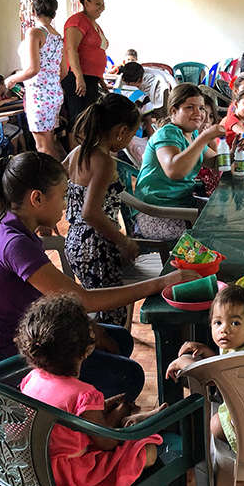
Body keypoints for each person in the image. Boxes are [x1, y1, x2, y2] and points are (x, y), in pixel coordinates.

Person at [0, 152, 198, 399]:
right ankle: (78, 423)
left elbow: (59, 302)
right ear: (37, 198)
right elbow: (82, 300)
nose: (65, 205)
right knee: (129, 375)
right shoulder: (14, 243)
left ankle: (89, 409)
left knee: (120, 339)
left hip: (21, 338)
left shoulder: (13, 227)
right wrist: (160, 283)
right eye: (62, 196)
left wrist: (92, 330)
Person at [14, 296, 166, 486]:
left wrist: (101, 408)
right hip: (70, 479)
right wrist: (119, 411)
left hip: (36, 469)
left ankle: (132, 419)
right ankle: (132, 421)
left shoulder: (31, 379)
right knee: (148, 451)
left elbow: (64, 416)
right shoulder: (85, 394)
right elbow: (107, 441)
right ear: (86, 352)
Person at [63, 95, 145, 328]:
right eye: (131, 135)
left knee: (99, 303)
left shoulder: (78, 152)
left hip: (75, 242)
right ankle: (111, 356)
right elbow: (91, 213)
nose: (129, 141)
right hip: (96, 246)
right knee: (111, 310)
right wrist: (123, 241)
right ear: (121, 131)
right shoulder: (105, 163)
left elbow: (57, 181)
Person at [162, 285, 244, 451]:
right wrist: (207, 351)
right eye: (217, 322)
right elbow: (223, 368)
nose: (224, 329)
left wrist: (182, 362)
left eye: (235, 323)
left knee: (216, 425)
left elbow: (210, 378)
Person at [135, 84, 227, 240]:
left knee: (227, 215)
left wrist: (235, 152)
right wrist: (204, 138)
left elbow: (214, 163)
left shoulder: (191, 134)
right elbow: (174, 171)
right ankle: (194, 264)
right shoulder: (167, 133)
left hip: (182, 205)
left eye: (202, 108)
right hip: (156, 213)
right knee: (214, 231)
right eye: (190, 107)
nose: (198, 113)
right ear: (173, 111)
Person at [8, 0, 67, 157]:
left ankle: (59, 183)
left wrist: (12, 79)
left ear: (33, 10)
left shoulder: (34, 32)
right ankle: (64, 178)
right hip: (54, 93)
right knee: (49, 142)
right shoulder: (57, 37)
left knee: (42, 147)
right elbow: (62, 72)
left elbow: (33, 69)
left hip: (39, 95)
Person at [61, 0, 111, 132]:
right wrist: (79, 77)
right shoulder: (78, 21)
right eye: (98, 4)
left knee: (89, 118)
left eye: (103, 5)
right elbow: (71, 49)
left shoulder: (92, 22)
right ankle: (76, 152)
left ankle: (86, 150)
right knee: (79, 118)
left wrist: (100, 78)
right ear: (86, 3)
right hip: (79, 77)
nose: (101, 8)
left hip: (90, 78)